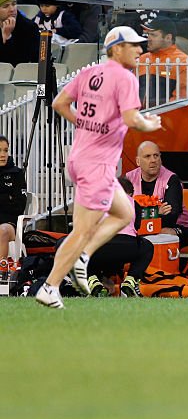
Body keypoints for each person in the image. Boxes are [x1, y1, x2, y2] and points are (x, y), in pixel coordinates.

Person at [35, 26, 161, 309]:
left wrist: (85, 124)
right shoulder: (125, 78)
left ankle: (84, 256)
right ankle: (50, 286)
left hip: (80, 158)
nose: (140, 50)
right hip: (98, 164)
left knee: (125, 212)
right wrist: (149, 124)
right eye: (133, 45)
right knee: (81, 232)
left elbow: (60, 103)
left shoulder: (89, 72)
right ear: (116, 48)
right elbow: (131, 119)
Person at [81, 176, 155, 297]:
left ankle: (92, 279)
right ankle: (130, 281)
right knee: (147, 246)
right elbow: (136, 228)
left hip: (100, 245)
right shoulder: (133, 202)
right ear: (130, 193)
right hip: (127, 246)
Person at [125, 140, 188, 246]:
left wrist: (139, 214)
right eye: (147, 156)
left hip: (176, 228)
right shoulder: (129, 178)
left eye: (156, 156)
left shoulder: (172, 179)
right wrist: (157, 212)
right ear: (138, 161)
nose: (153, 160)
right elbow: (123, 212)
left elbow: (171, 217)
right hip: (141, 228)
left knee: (162, 233)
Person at [138, 17, 188, 104]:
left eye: (153, 35)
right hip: (140, 115)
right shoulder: (142, 59)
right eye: (148, 34)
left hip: (167, 115)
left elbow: (182, 99)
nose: (148, 38)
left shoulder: (183, 62)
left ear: (168, 37)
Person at [0, 135, 26, 261]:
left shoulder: (17, 173)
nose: (3, 154)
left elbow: (19, 206)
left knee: (2, 230)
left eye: (5, 150)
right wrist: (6, 197)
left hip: (9, 224)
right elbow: (10, 201)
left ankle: (1, 272)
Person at [0, 0, 39, 66]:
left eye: (14, 4)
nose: (12, 9)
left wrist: (7, 38)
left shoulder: (29, 28)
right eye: (5, 6)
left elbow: (19, 63)